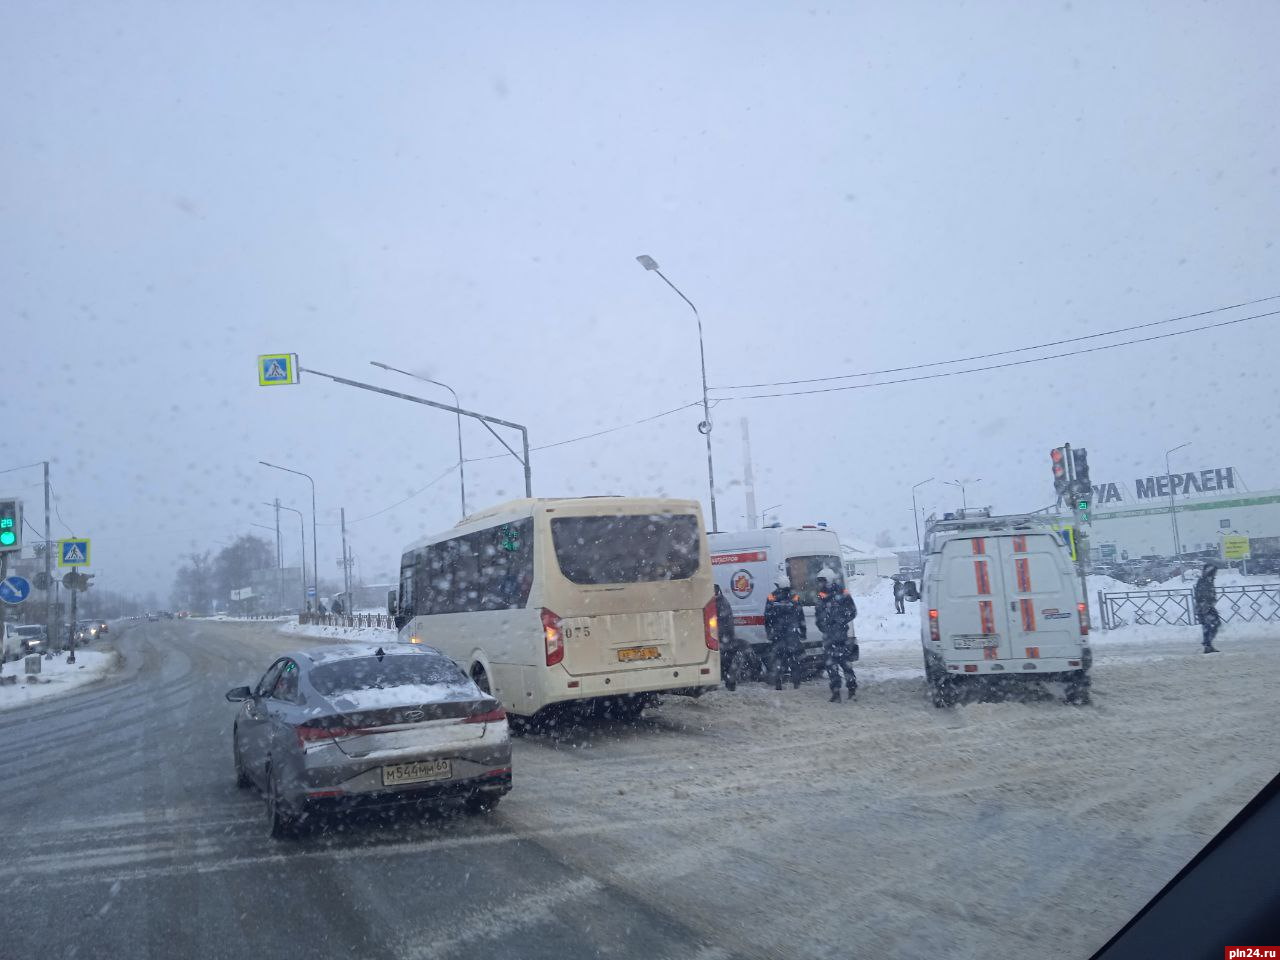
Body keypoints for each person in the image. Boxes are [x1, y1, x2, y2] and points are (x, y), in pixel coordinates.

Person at [816, 571, 858, 702]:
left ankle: (851, 689)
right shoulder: (822, 594)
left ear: (828, 580)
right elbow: (818, 615)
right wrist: (824, 626)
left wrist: (841, 620)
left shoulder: (843, 592)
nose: (820, 583)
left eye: (822, 580)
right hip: (829, 636)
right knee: (831, 665)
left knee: (845, 664)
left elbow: (853, 611)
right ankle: (836, 692)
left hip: (840, 636)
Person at [764, 577, 806, 690]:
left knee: (778, 659)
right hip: (792, 634)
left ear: (778, 585)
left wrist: (769, 632)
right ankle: (796, 683)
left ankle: (778, 684)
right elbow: (800, 615)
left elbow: (767, 617)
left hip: (777, 635)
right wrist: (803, 631)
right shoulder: (795, 597)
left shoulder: (771, 596)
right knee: (794, 659)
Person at [713, 584, 739, 691]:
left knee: (723, 661)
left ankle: (729, 683)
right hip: (724, 637)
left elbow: (725, 621)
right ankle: (729, 683)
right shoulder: (723, 601)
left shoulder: (719, 603)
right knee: (726, 661)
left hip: (722, 637)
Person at [1193, 561, 1222, 653]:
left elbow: (1209, 593)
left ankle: (1207, 644)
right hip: (1204, 607)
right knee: (1210, 625)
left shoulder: (1209, 580)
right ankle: (1207, 644)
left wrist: (1212, 600)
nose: (1215, 574)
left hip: (1207, 607)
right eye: (1214, 572)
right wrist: (1206, 603)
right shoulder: (1203, 581)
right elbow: (1200, 595)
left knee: (1210, 625)